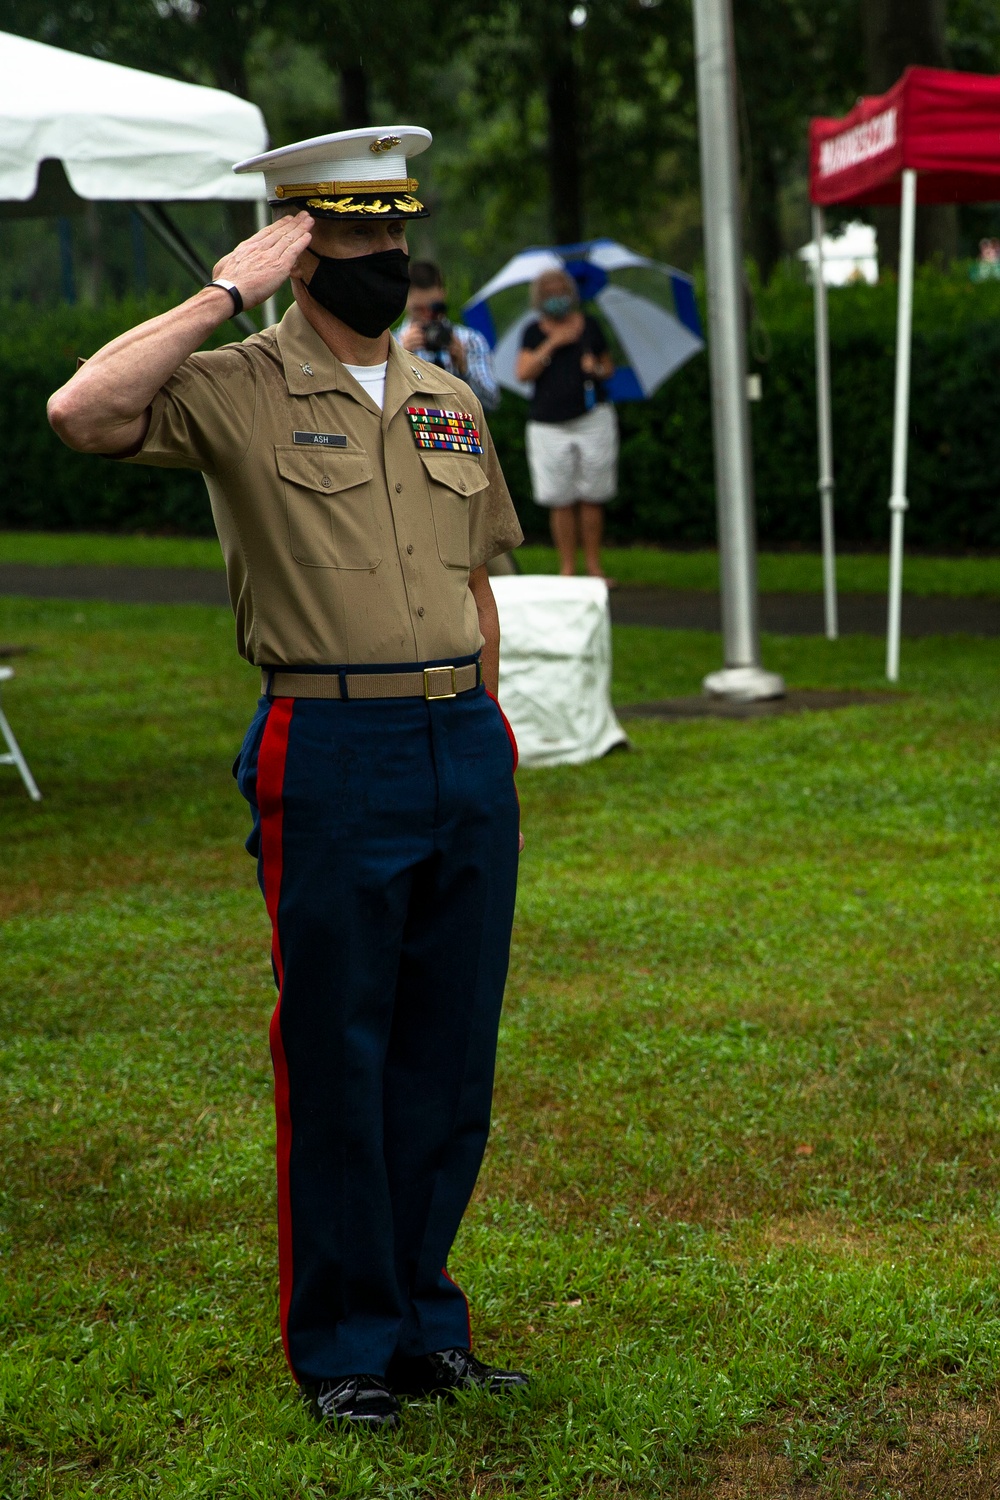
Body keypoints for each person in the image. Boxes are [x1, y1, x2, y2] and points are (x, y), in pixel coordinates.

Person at [47, 126, 528, 1432]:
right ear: (301, 248)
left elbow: (475, 576)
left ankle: (427, 1326)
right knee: (338, 1047)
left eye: (394, 233)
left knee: (446, 1053)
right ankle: (347, 1344)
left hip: (461, 747)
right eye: (357, 237)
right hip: (329, 744)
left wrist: (488, 721)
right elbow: (85, 412)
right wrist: (219, 294)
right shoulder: (237, 386)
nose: (387, 257)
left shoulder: (449, 397)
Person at [515, 267, 618, 584]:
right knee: (559, 497)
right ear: (539, 298)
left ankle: (594, 567)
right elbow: (523, 373)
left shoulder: (591, 326)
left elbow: (609, 368)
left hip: (592, 420)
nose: (556, 297)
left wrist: (596, 368)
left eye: (561, 291)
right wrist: (553, 344)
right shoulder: (533, 332)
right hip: (548, 425)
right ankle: (568, 569)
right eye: (549, 293)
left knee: (592, 495)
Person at [398, 260, 501, 411]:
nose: (427, 316)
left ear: (443, 295)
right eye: (419, 310)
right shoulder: (391, 344)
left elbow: (491, 403)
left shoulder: (470, 340)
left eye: (434, 308)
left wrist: (463, 369)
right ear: (404, 300)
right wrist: (400, 358)